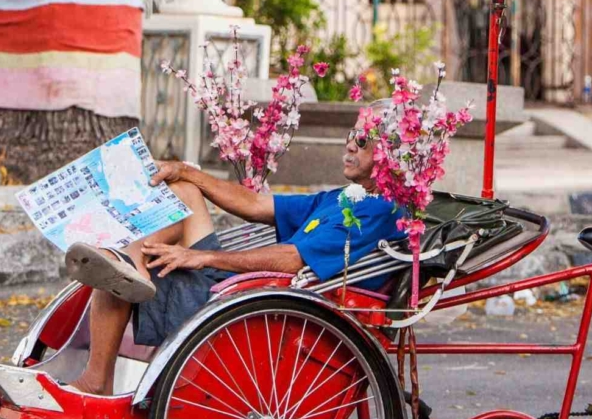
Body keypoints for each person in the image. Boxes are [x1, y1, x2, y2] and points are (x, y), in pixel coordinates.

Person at [63, 101, 405, 395]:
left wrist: (204, 257)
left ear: (389, 152)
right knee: (182, 189)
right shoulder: (342, 198)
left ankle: (99, 373)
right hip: (245, 298)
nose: (350, 145)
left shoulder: (378, 211)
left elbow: (293, 259)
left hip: (261, 314)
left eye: (363, 140)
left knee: (118, 269)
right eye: (351, 135)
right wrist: (184, 171)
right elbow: (255, 204)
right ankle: (130, 262)